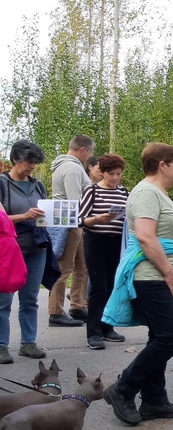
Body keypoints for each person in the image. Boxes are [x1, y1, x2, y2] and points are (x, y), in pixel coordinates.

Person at [102, 142, 173, 426]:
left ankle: (154, 400)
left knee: (159, 337)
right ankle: (123, 389)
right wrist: (169, 273)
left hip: (166, 277)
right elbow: (144, 236)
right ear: (162, 164)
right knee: (170, 337)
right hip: (152, 277)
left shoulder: (159, 193)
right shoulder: (145, 192)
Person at [0, 140, 49, 362]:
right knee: (3, 300)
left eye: (34, 163)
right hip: (9, 251)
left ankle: (28, 343)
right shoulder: (2, 184)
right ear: (14, 161)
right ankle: (1, 345)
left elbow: (44, 214)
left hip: (36, 248)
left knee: (30, 298)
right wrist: (24, 216)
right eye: (28, 162)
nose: (32, 166)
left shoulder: (38, 185)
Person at [79, 154, 128, 350]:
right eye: (111, 174)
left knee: (112, 286)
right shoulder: (91, 190)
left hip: (117, 243)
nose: (115, 178)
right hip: (96, 242)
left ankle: (108, 327)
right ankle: (94, 333)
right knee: (99, 287)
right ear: (102, 172)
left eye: (118, 174)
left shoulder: (124, 192)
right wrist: (98, 219)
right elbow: (81, 219)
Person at [48, 134, 94, 327]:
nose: (89, 156)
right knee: (64, 268)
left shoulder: (64, 166)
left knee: (82, 266)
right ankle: (56, 311)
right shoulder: (73, 168)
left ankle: (76, 305)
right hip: (70, 222)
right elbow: (76, 200)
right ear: (83, 149)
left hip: (73, 222)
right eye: (90, 152)